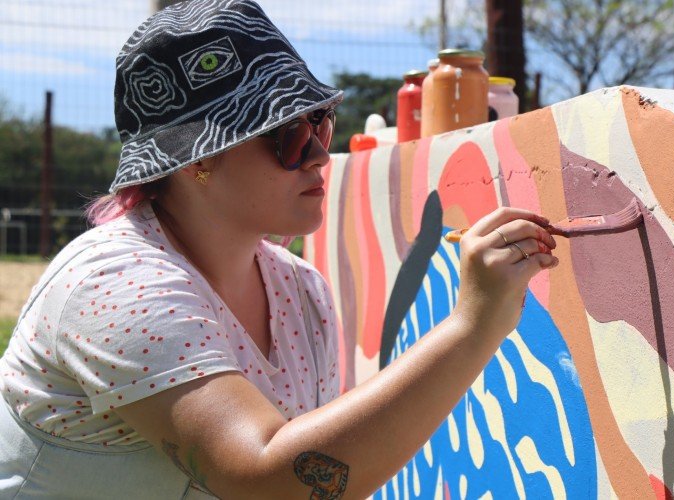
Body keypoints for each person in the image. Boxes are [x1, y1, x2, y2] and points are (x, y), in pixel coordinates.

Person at [0, 1, 558, 498]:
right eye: (286, 133)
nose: (319, 154)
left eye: (320, 119)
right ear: (197, 159)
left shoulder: (300, 291)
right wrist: (472, 325)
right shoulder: (116, 284)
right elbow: (264, 481)